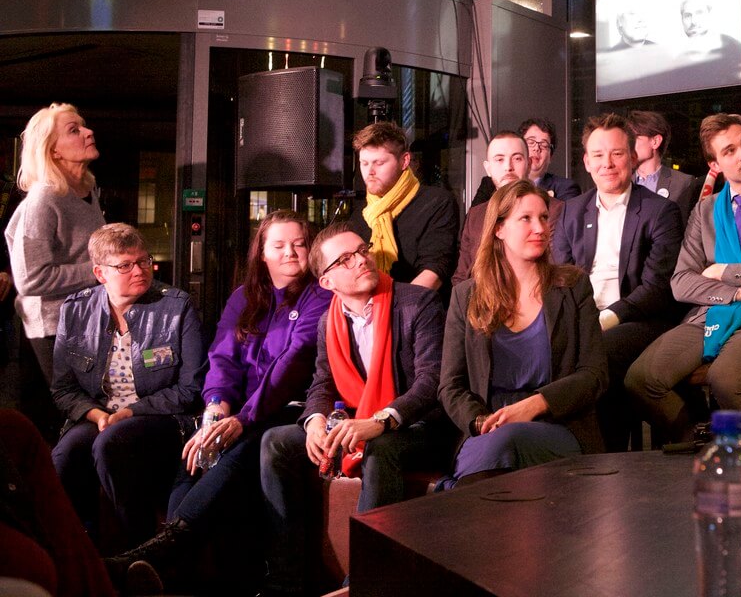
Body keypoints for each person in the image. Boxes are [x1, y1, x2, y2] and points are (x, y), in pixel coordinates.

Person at [104, 211, 332, 585]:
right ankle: (170, 567)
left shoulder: (319, 297)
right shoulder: (244, 296)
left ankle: (160, 556)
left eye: (299, 244)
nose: (290, 253)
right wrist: (215, 408)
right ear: (262, 253)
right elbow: (223, 358)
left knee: (237, 448)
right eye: (279, 245)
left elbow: (291, 366)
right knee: (196, 455)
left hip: (285, 409)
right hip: (235, 410)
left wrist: (241, 418)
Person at [259, 224, 450, 597]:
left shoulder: (417, 303)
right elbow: (322, 383)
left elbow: (432, 382)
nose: (361, 260)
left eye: (362, 250)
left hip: (418, 425)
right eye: (345, 259)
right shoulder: (327, 322)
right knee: (275, 442)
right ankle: (285, 581)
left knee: (382, 448)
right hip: (357, 422)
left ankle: (359, 584)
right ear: (327, 281)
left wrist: (379, 421)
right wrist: (315, 421)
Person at [625, 113, 741, 442]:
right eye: (729, 151)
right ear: (715, 164)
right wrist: (738, 292)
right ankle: (699, 441)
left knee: (726, 379)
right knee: (641, 379)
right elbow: (681, 282)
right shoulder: (705, 211)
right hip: (710, 312)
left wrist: (720, 272)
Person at [440, 180, 607, 485]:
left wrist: (536, 404)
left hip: (559, 425)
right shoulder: (466, 296)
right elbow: (451, 386)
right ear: (499, 229)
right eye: (526, 219)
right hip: (488, 431)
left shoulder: (572, 286)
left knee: (508, 443)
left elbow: (594, 374)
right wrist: (480, 423)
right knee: (500, 444)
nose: (540, 228)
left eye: (544, 217)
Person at [50, 224, 205, 551]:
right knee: (64, 454)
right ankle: (79, 552)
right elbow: (63, 389)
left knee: (111, 444)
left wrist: (129, 412)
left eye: (144, 261)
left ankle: (138, 551)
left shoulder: (177, 307)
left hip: (161, 417)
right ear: (100, 273)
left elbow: (190, 389)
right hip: (98, 417)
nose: (140, 270)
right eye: (125, 265)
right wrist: (96, 415)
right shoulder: (75, 310)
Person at [553, 114, 684, 451]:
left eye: (617, 154)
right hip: (585, 317)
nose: (607, 164)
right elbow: (560, 277)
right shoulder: (570, 211)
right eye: (598, 155)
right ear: (586, 161)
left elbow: (656, 289)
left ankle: (607, 457)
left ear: (632, 157)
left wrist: (605, 319)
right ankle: (558, 453)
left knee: (601, 354)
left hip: (639, 319)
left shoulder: (660, 211)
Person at [5, 104, 105, 386]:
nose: (88, 132)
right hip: (52, 329)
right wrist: (102, 270)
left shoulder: (87, 192)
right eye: (74, 130)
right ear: (53, 151)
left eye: (83, 126)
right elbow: (31, 279)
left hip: (85, 321)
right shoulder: (43, 200)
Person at [0, 409, 118, 597]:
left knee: (15, 429)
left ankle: (94, 574)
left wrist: (131, 411)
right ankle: (102, 573)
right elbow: (65, 389)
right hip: (91, 415)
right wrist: (93, 412)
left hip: (143, 414)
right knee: (33, 565)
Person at [346, 121, 458, 301]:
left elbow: (436, 270)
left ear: (405, 160)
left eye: (379, 163)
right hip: (370, 313)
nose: (370, 171)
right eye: (364, 163)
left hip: (420, 313)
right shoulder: (361, 214)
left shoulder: (436, 202)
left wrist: (393, 309)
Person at [453, 132, 564, 286]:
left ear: (529, 164)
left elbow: (554, 268)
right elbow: (461, 276)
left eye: (517, 158)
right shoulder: (476, 214)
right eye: (499, 159)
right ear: (488, 168)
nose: (508, 167)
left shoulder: (554, 209)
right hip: (480, 301)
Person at [627, 109, 702, 225]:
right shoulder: (623, 184)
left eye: (634, 138)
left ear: (655, 141)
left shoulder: (683, 183)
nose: (628, 144)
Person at [678, 0, 741, 70]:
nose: (693, 21)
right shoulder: (679, 61)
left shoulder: (736, 50)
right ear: (682, 20)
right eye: (687, 16)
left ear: (710, 15)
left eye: (699, 13)